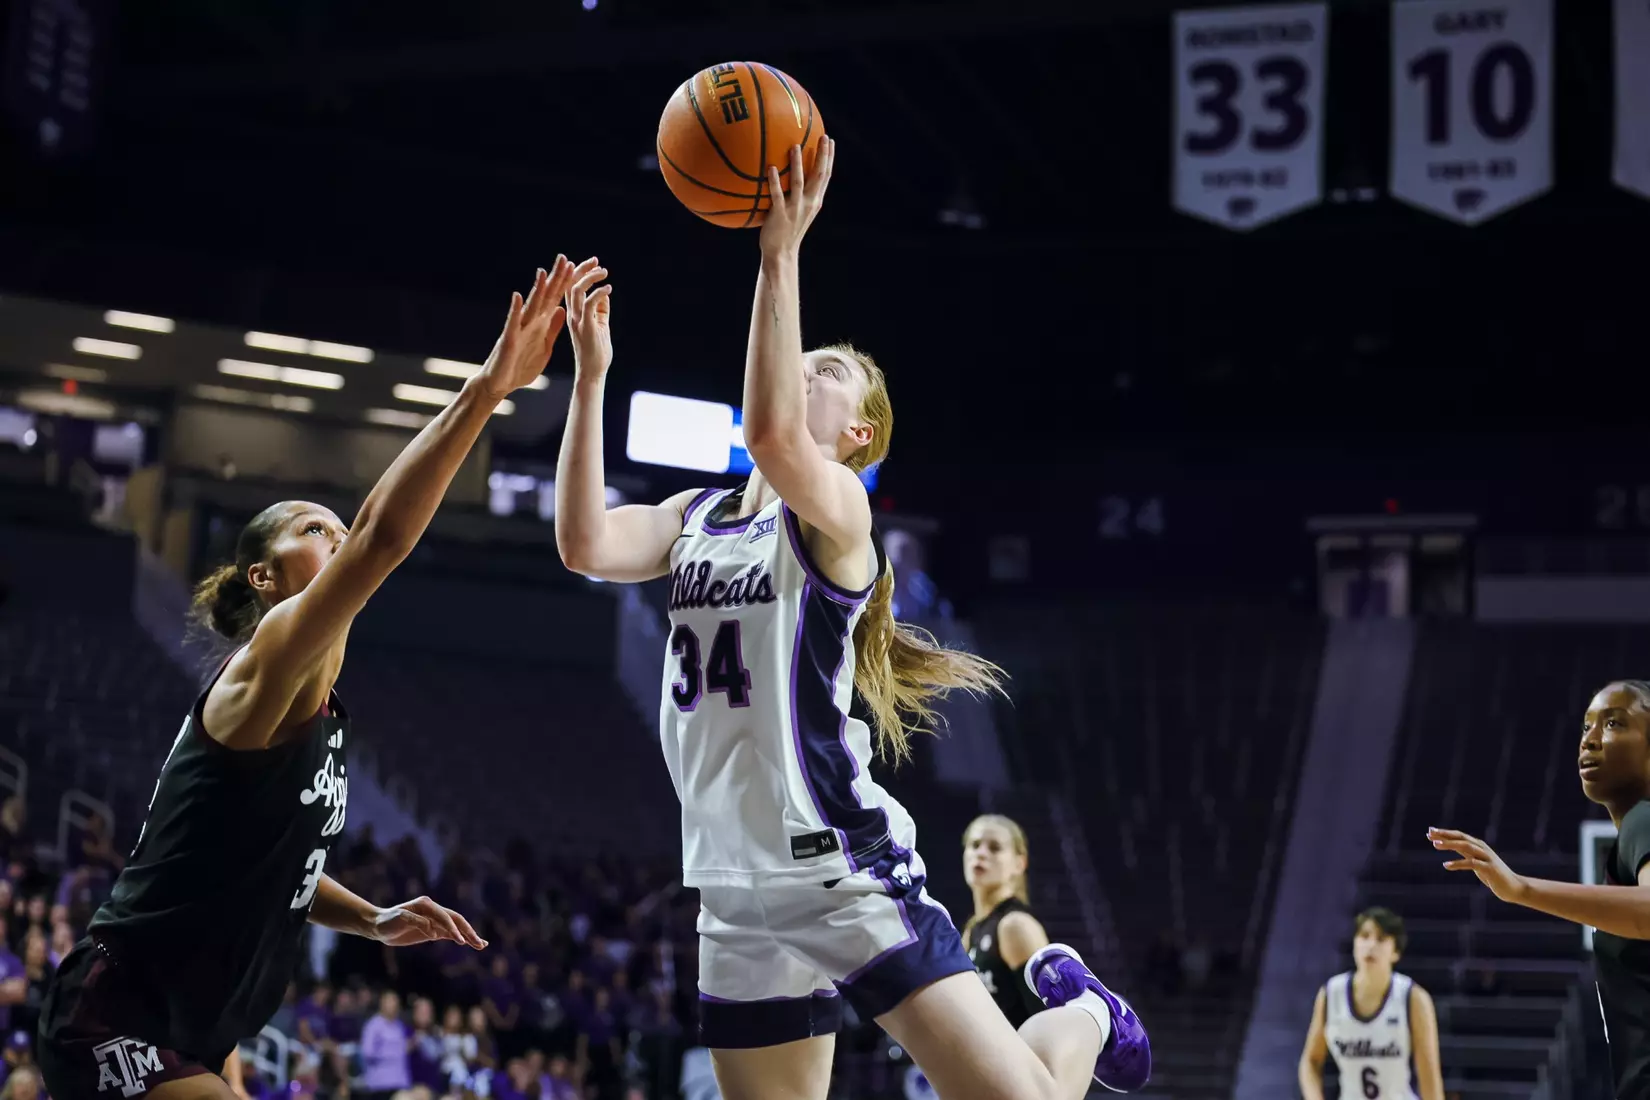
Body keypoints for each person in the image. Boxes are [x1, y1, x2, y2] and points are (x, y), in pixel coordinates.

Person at [552, 139, 1149, 1100]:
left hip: (837, 865)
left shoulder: (837, 515)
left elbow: (777, 436)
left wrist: (777, 252)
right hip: (731, 885)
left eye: (824, 367)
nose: (805, 369)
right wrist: (589, 379)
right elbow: (582, 543)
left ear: (859, 430)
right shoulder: (695, 517)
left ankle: (1083, 1013)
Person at [35, 259, 582, 1100]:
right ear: (263, 577)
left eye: (334, 523)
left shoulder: (320, 703)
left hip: (199, 1018)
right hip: (120, 1011)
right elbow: (383, 537)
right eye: (310, 526)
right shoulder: (271, 650)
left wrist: (371, 918)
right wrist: (488, 389)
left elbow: (276, 866)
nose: (333, 531)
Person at [1431, 679, 1650, 1099]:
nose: (1590, 740)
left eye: (1614, 723)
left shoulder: (1644, 819)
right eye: (1586, 726)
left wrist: (1521, 889)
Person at [1296, 907, 1443, 1100]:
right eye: (1364, 936)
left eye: (1381, 939)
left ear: (1395, 952)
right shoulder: (1331, 994)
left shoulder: (1413, 998)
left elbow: (1430, 1078)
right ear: (1355, 944)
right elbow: (1310, 1061)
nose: (1371, 945)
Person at [961, 815, 1048, 1030]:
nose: (981, 853)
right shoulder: (971, 931)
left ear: (1019, 864)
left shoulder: (1015, 926)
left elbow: (1049, 1021)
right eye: (974, 845)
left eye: (995, 848)